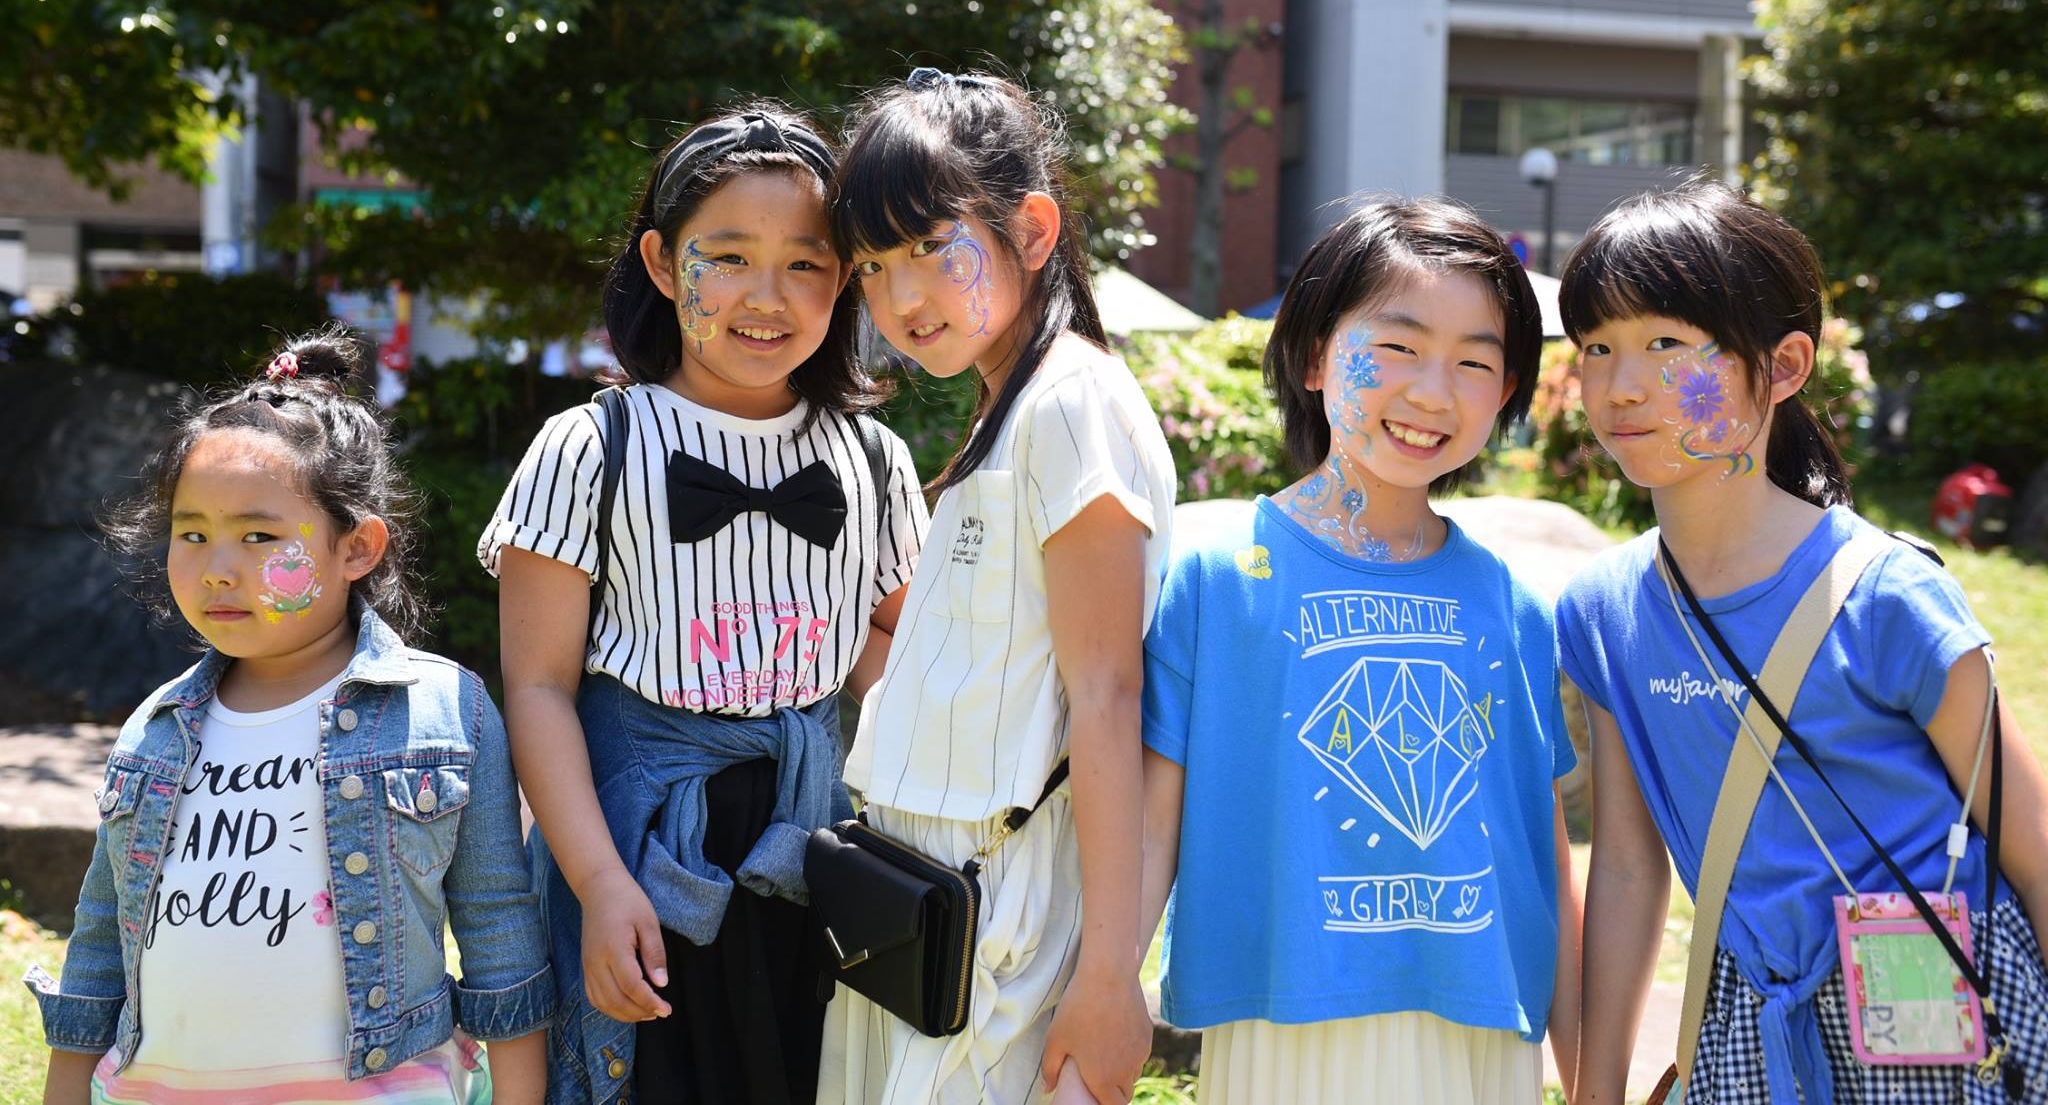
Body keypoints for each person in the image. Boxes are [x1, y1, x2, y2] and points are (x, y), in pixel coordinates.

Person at [1559, 179, 2048, 1104]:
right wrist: (1596, 1093)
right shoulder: (1601, 609)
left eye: (1666, 344)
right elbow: (1625, 864)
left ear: (1783, 366)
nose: (1621, 385)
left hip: (1931, 1005)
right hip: (1747, 1026)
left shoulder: (1888, 592)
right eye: (1597, 347)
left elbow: (2028, 836)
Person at [482, 103, 927, 1104]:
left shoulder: (871, 458)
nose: (766, 296)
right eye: (726, 257)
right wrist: (599, 884)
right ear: (659, 259)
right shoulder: (589, 448)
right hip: (636, 847)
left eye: (806, 263)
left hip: (809, 847)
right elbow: (539, 687)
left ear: (846, 278)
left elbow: (894, 644)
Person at [31, 328, 553, 1105]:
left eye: (258, 535)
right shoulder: (156, 726)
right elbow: (101, 939)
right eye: (192, 533)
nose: (217, 568)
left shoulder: (443, 712)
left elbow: (498, 928)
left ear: (357, 547)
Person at [1135, 198, 1581, 1105]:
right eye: (1400, 346)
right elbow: (1151, 829)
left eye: (1474, 363)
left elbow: (1544, 854)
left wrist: (1591, 1075)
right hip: (1284, 1025)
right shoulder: (1216, 581)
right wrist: (1105, 986)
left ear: (1505, 393)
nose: (1433, 392)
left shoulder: (1513, 605)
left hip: (1482, 1037)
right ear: (1314, 356)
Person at [815, 67, 1177, 1105]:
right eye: (873, 263)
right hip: (924, 897)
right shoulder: (1009, 408)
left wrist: (1109, 974)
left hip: (1003, 907)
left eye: (932, 245)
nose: (901, 298)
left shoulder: (1069, 403)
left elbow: (1107, 696)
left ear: (1032, 229)